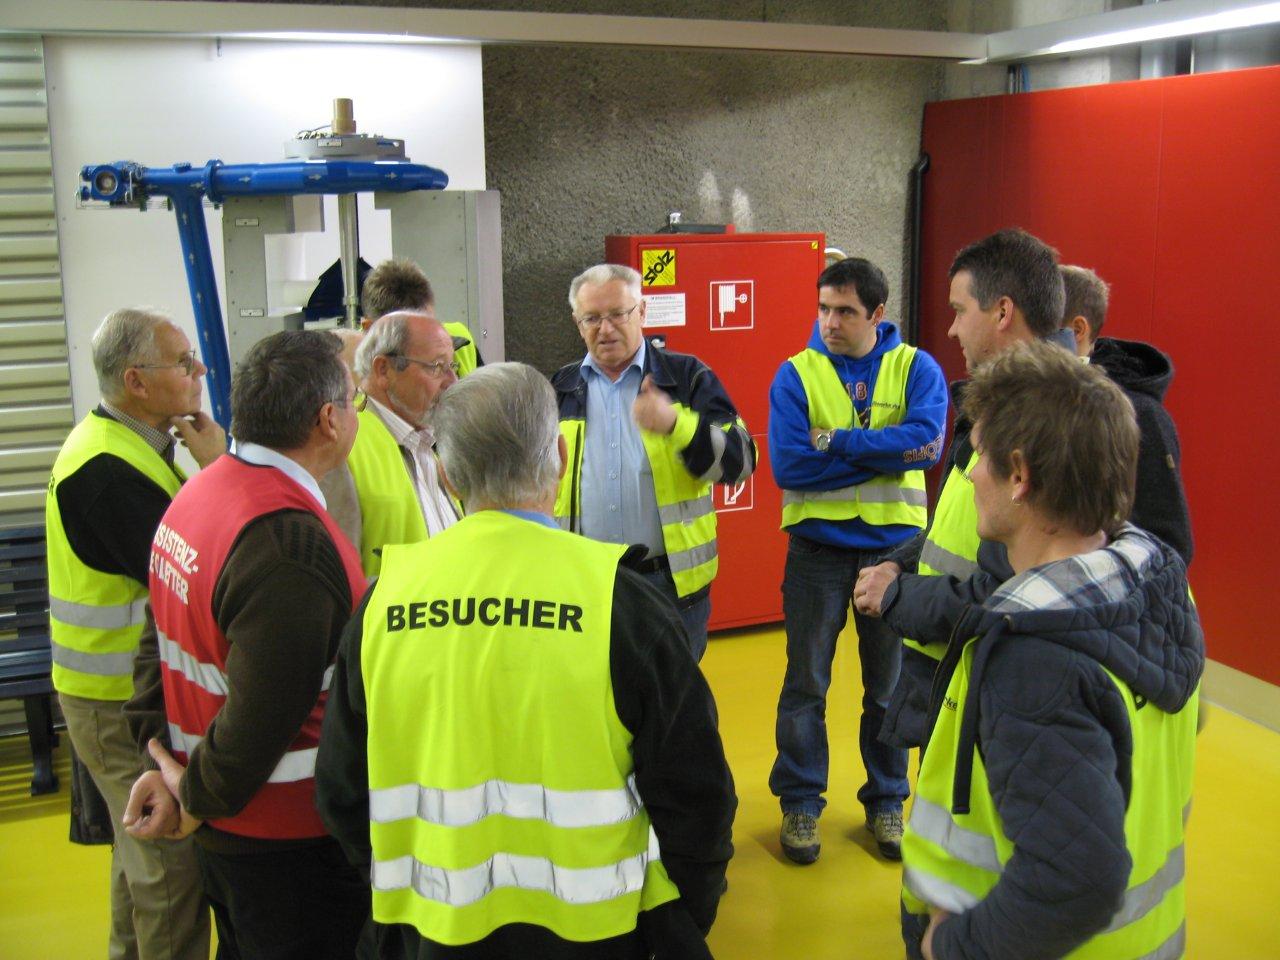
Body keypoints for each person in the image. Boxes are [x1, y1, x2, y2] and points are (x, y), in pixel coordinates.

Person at [314, 362, 736, 959]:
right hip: (600, 933)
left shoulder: (383, 603)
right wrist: (679, 921)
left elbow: (342, 791)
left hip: (432, 930)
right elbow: (699, 799)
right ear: (560, 458)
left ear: (446, 475)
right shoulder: (622, 605)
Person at [897, 340, 1202, 960]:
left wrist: (954, 945)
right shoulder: (1161, 590)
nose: (970, 473)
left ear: (1020, 475)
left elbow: (1076, 881)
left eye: (980, 455)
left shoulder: (1035, 657)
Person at [122, 330, 370, 960]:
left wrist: (160, 762)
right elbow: (263, 716)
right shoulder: (289, 543)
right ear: (328, 419)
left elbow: (157, 644)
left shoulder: (200, 495)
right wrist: (193, 798)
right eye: (354, 400)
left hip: (229, 828)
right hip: (289, 848)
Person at [854, 228, 1075, 752]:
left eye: (959, 310)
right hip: (952, 677)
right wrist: (900, 564)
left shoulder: (1050, 423)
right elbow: (957, 521)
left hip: (991, 692)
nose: (951, 329)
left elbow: (1009, 595)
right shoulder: (997, 402)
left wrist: (897, 596)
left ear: (1002, 312)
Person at [46, 307, 219, 960]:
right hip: (115, 699)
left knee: (138, 853)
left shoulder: (132, 450)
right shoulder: (106, 472)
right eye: (183, 362)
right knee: (169, 868)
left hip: (120, 693)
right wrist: (219, 469)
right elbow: (191, 573)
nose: (199, 372)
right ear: (136, 382)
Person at [766, 257, 948, 864]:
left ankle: (888, 799)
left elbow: (927, 446)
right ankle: (800, 802)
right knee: (806, 684)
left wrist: (836, 441)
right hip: (816, 553)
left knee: (890, 689)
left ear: (877, 313)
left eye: (844, 311)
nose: (830, 322)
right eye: (823, 308)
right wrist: (884, 455)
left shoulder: (917, 368)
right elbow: (790, 465)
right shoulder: (796, 374)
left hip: (895, 554)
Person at [551, 263, 756, 660]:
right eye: (592, 318)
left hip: (669, 586)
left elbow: (741, 461)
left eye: (617, 314)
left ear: (642, 311)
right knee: (594, 692)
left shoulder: (687, 377)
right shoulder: (560, 388)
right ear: (578, 324)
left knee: (674, 696)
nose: (605, 329)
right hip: (585, 583)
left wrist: (677, 425)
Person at [1060, 264, 1193, 564]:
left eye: (1041, 324)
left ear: (1078, 330)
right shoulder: (1044, 404)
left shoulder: (1142, 416)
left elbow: (1170, 544)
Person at [320, 311, 461, 575]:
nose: (452, 382)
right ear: (383, 370)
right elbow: (336, 576)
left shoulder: (429, 443)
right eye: (436, 367)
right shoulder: (344, 448)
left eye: (452, 367)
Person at [360, 257, 483, 375]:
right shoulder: (352, 380)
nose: (452, 380)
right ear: (369, 330)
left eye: (430, 327)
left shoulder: (461, 342)